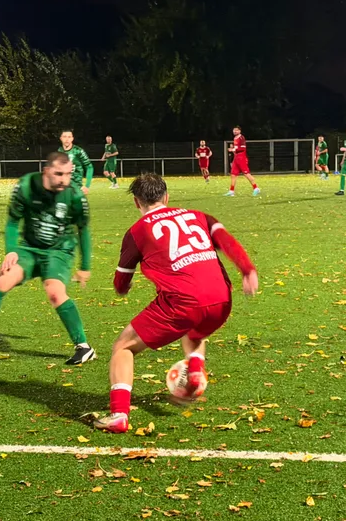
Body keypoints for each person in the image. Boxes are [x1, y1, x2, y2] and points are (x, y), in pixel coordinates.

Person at [94, 173, 258, 433]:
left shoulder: (137, 231)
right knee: (195, 329)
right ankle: (194, 370)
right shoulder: (200, 216)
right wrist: (247, 270)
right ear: (167, 197)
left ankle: (118, 415)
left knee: (123, 347)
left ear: (137, 202)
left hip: (183, 302)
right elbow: (226, 241)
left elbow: (120, 281)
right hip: (222, 299)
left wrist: (124, 287)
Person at [0, 152, 95, 366]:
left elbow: (83, 229)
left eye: (68, 174)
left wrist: (85, 266)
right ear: (46, 171)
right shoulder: (26, 186)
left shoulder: (75, 195)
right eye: (58, 174)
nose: (64, 180)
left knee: (55, 293)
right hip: (29, 248)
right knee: (2, 280)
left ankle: (84, 347)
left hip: (59, 251)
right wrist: (11, 250)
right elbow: (13, 221)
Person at [224, 126, 260, 196]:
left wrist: (233, 150)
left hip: (241, 157)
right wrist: (233, 150)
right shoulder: (235, 138)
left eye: (236, 130)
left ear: (239, 131)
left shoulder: (241, 138)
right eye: (234, 130)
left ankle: (256, 188)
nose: (235, 131)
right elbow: (237, 147)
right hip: (236, 157)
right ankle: (231, 191)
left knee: (246, 173)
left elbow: (243, 148)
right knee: (233, 174)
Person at [58, 129, 93, 195]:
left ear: (72, 138)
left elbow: (89, 167)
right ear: (61, 138)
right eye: (64, 137)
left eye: (69, 137)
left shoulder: (78, 151)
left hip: (76, 187)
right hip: (62, 187)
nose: (67, 139)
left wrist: (87, 186)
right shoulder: (59, 151)